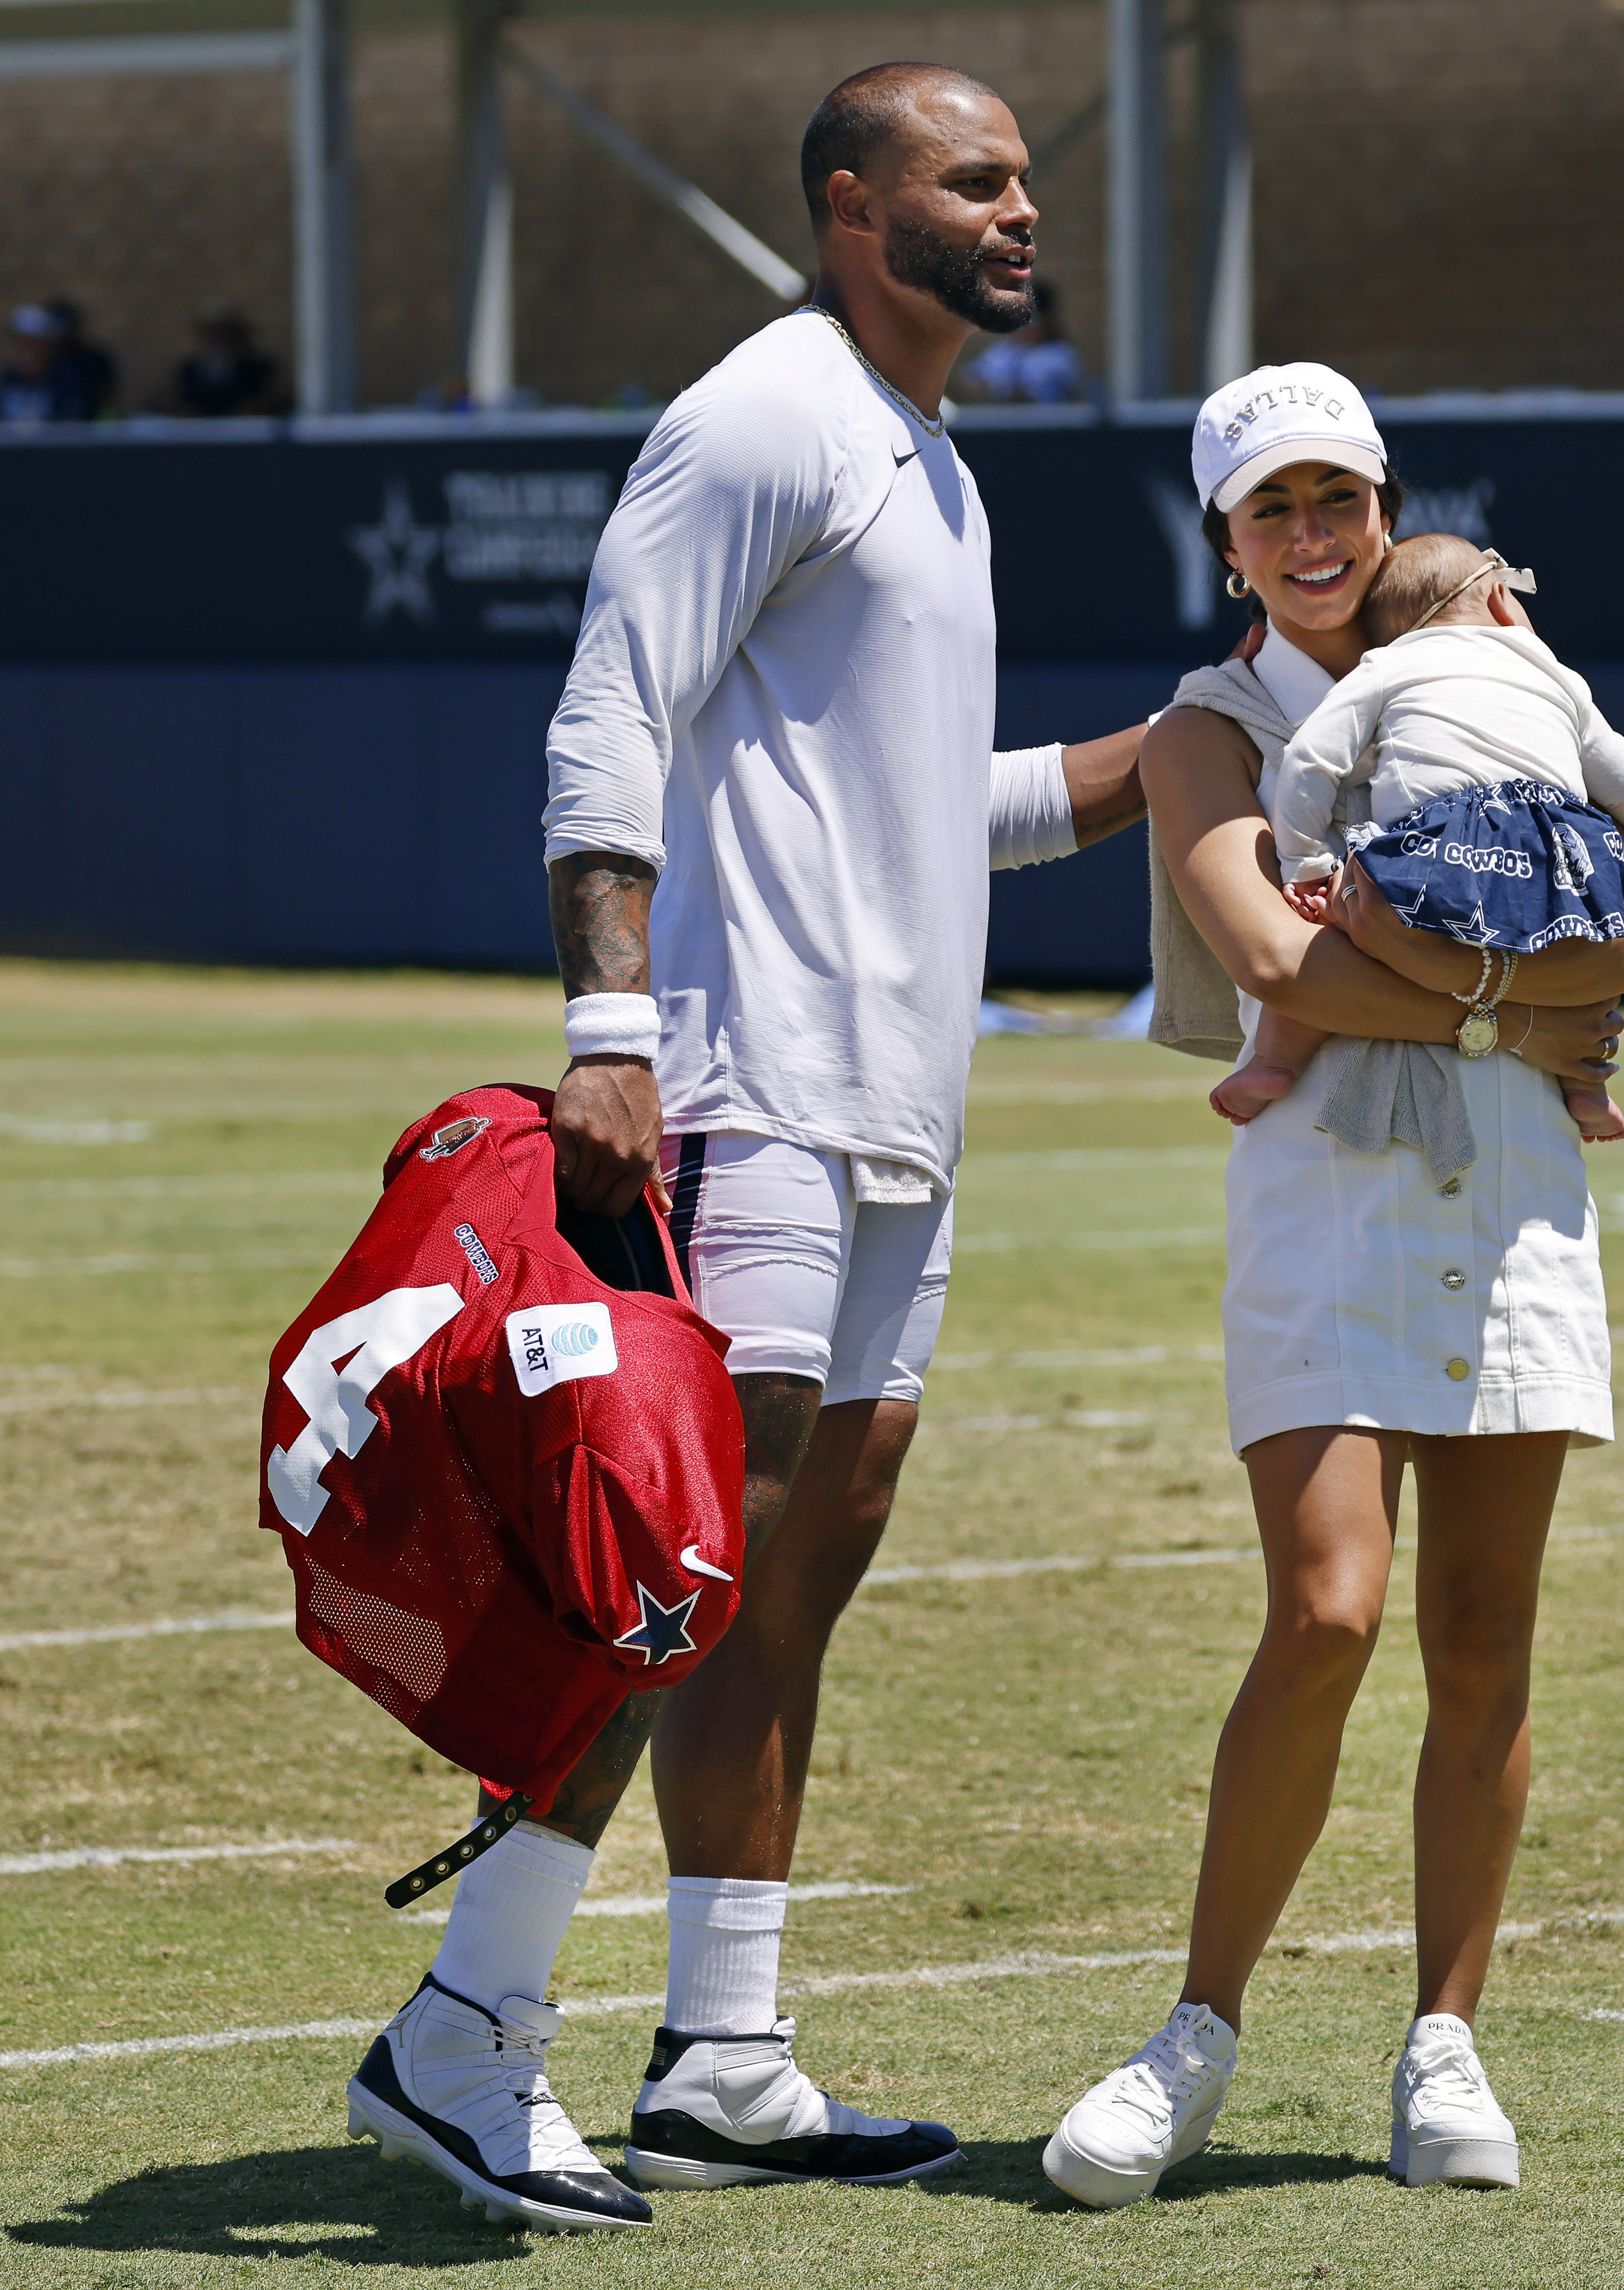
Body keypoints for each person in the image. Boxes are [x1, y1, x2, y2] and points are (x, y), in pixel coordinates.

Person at [356, 63, 1149, 2228]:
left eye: (1018, 180)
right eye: (967, 179)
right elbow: (613, 703)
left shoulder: (936, 461)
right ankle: (461, 2027)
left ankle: (724, 2051)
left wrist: (1157, 756)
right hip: (744, 1083)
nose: (1014, 209)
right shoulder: (769, 409)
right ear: (845, 204)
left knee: (795, 1572)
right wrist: (611, 1025)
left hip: (901, 1109)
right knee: (679, 1555)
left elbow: (930, 807)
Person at [1044, 363, 1624, 2208]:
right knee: (1324, 1608)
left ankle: (1440, 2040)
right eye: (1269, 510)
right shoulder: (1206, 725)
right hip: (1318, 1194)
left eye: (1337, 497)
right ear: (1224, 544)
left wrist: (1463, 991)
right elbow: (1269, 965)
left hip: (1525, 1202)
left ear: (1384, 506)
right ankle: (1195, 2027)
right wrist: (1514, 1008)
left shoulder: (1510, 670)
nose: (1309, 535)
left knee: (1483, 1639)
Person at [1210, 530, 1624, 1143]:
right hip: (1548, 847)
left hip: (1443, 848)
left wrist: (1307, 861)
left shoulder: (1389, 662)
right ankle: (1588, 1088)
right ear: (1502, 601)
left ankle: (1273, 1062)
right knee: (1579, 953)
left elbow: (1312, 760)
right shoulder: (1552, 671)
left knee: (1345, 924)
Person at [952, 276, 1084, 401]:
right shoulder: (1002, 352)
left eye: (1034, 321)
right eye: (1023, 320)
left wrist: (1006, 390)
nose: (1028, 328)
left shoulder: (1062, 356)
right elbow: (968, 383)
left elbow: (1039, 397)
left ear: (1048, 320)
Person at [163, 305, 285, 417]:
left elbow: (268, 402)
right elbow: (177, 402)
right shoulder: (189, 369)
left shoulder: (258, 368)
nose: (219, 340)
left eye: (225, 333)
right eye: (212, 334)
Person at [1, 304, 105, 423]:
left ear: (48, 347)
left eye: (33, 344)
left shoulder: (68, 382)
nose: (25, 352)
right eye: (19, 343)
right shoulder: (10, 380)